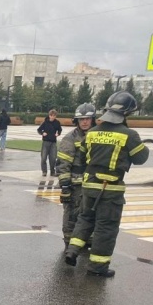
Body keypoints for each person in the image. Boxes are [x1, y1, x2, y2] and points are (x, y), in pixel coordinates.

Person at [64, 91, 150, 277]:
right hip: (110, 190)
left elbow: (85, 154)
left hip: (89, 186)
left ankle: (72, 250)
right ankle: (97, 267)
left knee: (85, 219)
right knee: (106, 227)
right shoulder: (130, 135)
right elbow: (141, 158)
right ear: (126, 113)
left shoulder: (92, 133)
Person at [55, 103, 96, 249]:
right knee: (71, 215)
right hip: (75, 186)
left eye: (87, 119)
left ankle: (87, 242)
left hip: (93, 185)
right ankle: (69, 243)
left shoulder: (97, 136)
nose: (85, 122)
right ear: (77, 121)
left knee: (91, 214)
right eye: (81, 119)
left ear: (93, 119)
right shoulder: (70, 138)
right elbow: (63, 164)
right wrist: (65, 187)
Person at [37, 109, 62, 176]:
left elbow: (59, 129)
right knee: (43, 157)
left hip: (53, 142)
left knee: (53, 158)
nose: (52, 117)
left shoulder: (57, 123)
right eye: (51, 115)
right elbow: (39, 130)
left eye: (54, 116)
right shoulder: (45, 122)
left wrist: (58, 133)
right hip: (45, 142)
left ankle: (52, 171)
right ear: (49, 115)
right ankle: (44, 171)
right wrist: (42, 133)